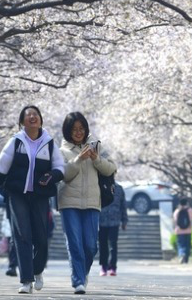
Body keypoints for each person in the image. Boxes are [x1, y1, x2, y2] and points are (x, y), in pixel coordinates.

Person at [0, 105, 65, 294]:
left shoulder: (49, 143)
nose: (32, 117)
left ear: (41, 119)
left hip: (40, 196)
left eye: (35, 114)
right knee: (22, 236)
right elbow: (0, 168)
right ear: (22, 122)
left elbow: (61, 168)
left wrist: (51, 176)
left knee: (42, 238)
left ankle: (37, 271)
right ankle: (26, 281)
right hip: (16, 194)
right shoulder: (16, 142)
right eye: (28, 115)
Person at [59, 112, 117, 294]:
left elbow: (111, 169)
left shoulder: (96, 146)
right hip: (69, 203)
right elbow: (64, 175)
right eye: (74, 129)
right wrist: (78, 159)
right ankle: (78, 281)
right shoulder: (60, 151)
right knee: (75, 243)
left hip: (92, 202)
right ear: (67, 131)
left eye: (81, 128)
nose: (78, 132)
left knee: (91, 246)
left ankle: (82, 274)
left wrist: (95, 158)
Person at [99, 182, 127, 276]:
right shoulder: (100, 185)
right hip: (101, 220)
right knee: (102, 244)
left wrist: (124, 221)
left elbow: (123, 205)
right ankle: (104, 266)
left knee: (113, 245)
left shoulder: (119, 188)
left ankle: (113, 266)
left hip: (115, 220)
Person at [173, 198, 192, 264]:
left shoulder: (177, 211)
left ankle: (182, 255)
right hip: (188, 230)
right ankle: (186, 259)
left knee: (181, 245)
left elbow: (175, 220)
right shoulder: (189, 210)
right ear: (186, 203)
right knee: (187, 245)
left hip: (179, 231)